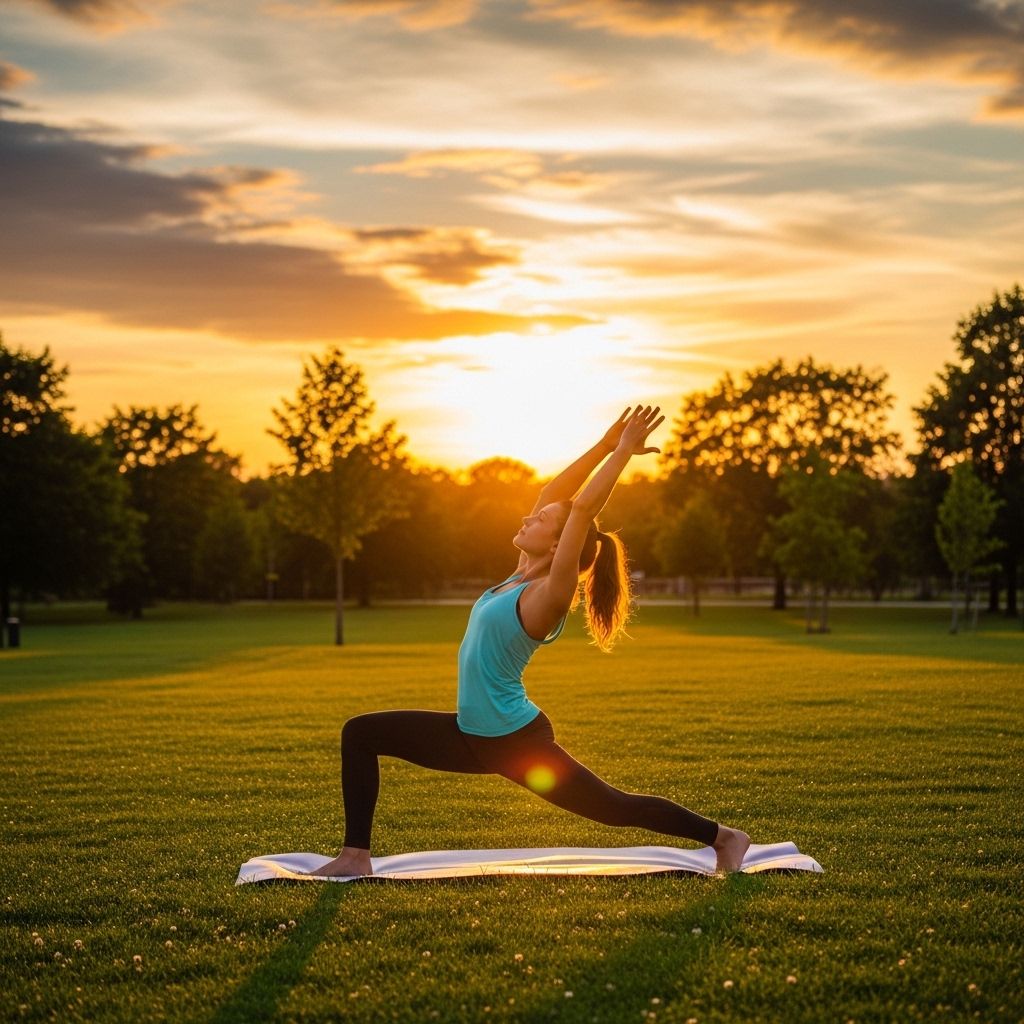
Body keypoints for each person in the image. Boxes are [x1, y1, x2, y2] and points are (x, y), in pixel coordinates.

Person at [311, 406, 750, 877]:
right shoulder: (516, 577)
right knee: (360, 733)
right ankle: (356, 856)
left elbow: (580, 509)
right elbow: (555, 494)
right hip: (469, 735)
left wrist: (623, 454)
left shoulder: (549, 594)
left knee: (616, 809)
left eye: (541, 520)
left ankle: (724, 838)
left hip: (515, 741)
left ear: (560, 544)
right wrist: (603, 445)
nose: (528, 516)